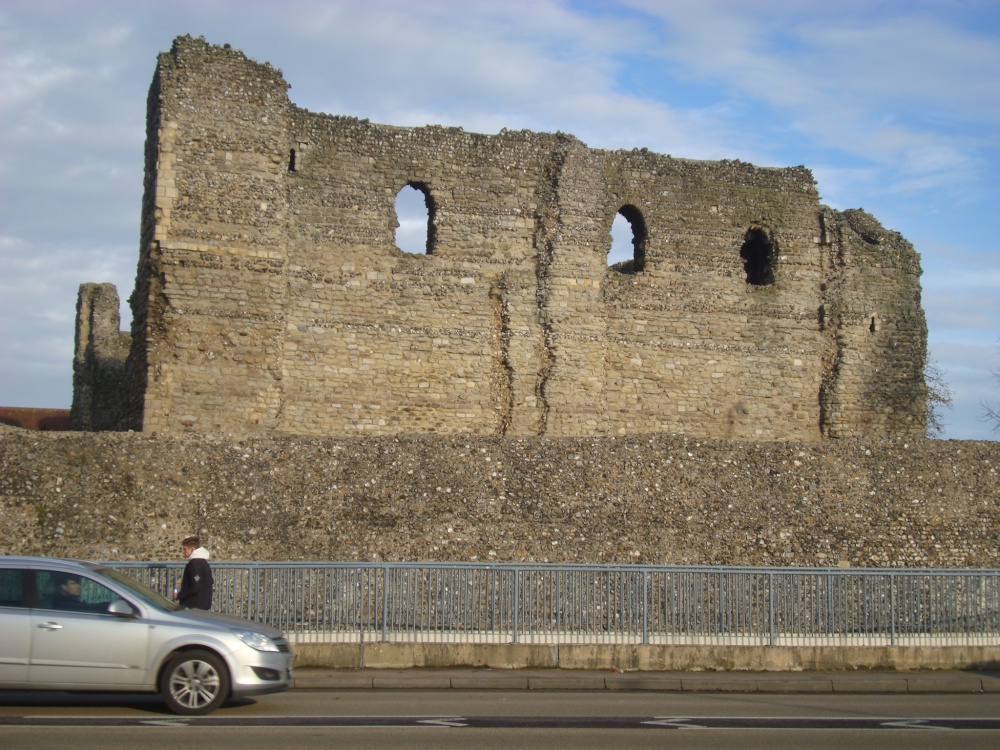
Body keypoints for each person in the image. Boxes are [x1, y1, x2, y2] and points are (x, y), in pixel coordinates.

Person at [174, 535, 213, 610]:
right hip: (204, 604)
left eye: (185, 549)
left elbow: (195, 585)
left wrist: (179, 595)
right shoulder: (204, 562)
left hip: (194, 605)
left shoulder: (194, 564)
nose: (183, 552)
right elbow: (209, 580)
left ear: (192, 550)